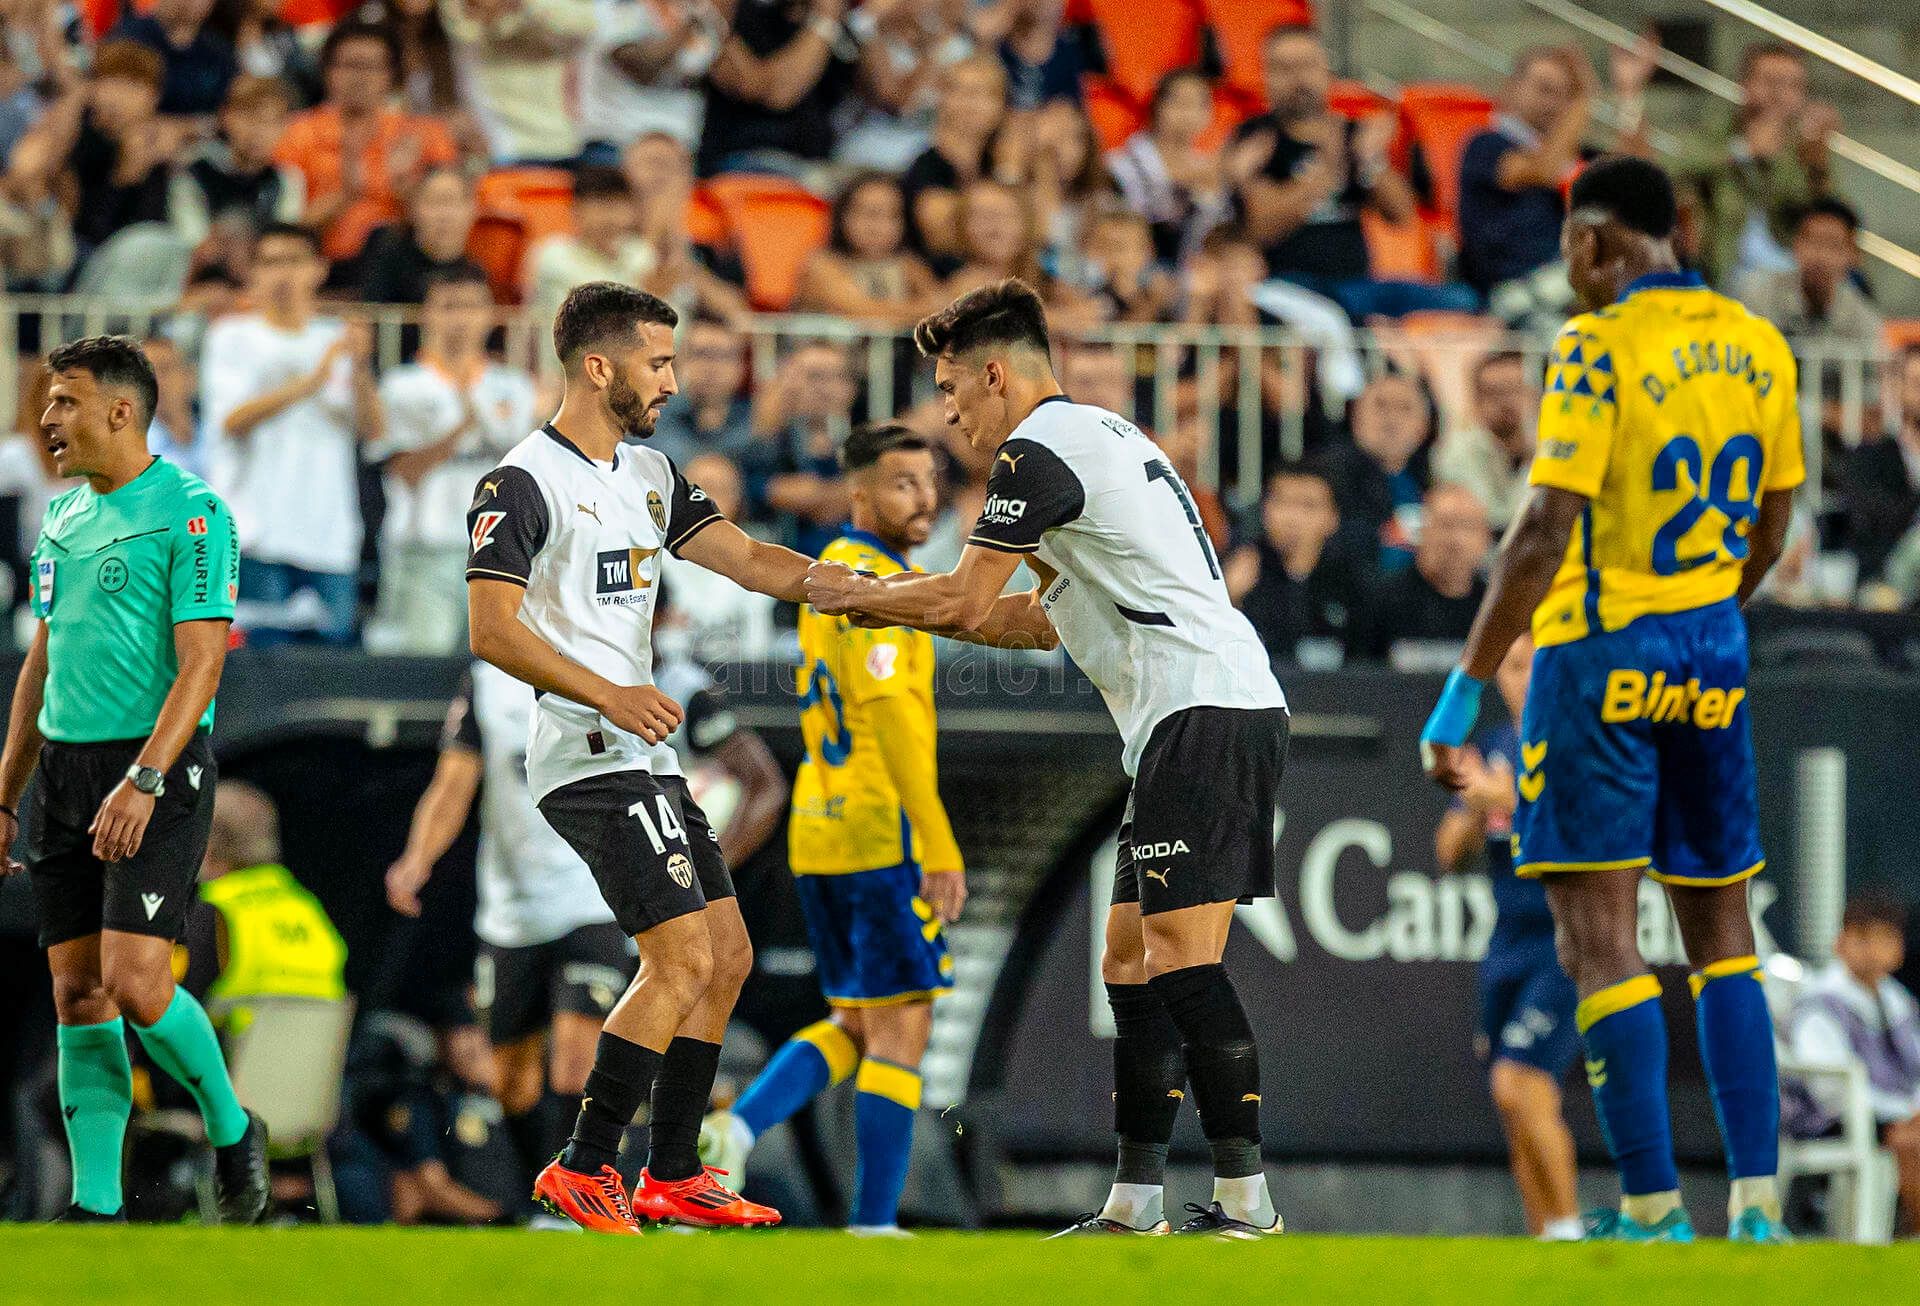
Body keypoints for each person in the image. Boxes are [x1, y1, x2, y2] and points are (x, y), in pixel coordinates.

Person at [805, 279, 1291, 1238]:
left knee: (1182, 963)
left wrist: (850, 592)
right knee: (1128, 958)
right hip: (1187, 717)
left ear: (996, 374)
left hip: (1206, 710)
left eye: (951, 389)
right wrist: (902, 599)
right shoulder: (1100, 439)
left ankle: (1249, 1205)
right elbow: (1025, 621)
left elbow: (952, 601)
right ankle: (1134, 1203)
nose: (946, 413)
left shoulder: (1035, 453)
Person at [1419, 156, 1804, 1243]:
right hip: (1713, 648)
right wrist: (1703, 618)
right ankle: (1761, 1209)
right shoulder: (1760, 346)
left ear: (1595, 243)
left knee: (1599, 931)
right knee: (1722, 925)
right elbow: (1774, 526)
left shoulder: (1595, 345)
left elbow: (1543, 527)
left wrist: (1462, 687)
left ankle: (1650, 1207)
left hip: (1601, 654)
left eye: (1569, 251)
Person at [464, 281, 824, 1232]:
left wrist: (877, 589)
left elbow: (749, 561)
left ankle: (671, 1172)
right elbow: (492, 631)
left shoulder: (652, 475)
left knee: (729, 955)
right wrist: (608, 690)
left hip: (643, 755)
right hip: (586, 749)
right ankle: (584, 1165)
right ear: (598, 365)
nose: (674, 379)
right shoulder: (521, 481)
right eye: (659, 362)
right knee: (680, 957)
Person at [0, 335, 265, 1223]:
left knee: (137, 982)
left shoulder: (194, 513)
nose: (47, 419)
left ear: (121, 408)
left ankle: (232, 1129)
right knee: (75, 991)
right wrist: (5, 792)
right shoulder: (64, 519)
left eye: (64, 401)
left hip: (153, 766)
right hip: (65, 771)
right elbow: (43, 660)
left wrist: (144, 779)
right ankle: (96, 1206)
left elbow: (202, 668)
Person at [705, 423, 966, 1235]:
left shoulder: (828, 579)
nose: (921, 498)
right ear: (858, 494)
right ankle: (875, 1223)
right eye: (900, 483)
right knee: (904, 1024)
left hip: (820, 827)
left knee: (857, 1018)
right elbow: (889, 718)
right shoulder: (882, 585)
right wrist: (938, 840)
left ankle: (736, 1128)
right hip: (876, 827)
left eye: (928, 483)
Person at [1433, 635, 1582, 1241]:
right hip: (1507, 946)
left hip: (1564, 943)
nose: (1525, 678)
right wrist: (1475, 807)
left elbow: (1592, 834)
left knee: (1520, 1082)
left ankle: (1570, 1229)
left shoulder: (1575, 744)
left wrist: (1516, 800)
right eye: (1515, 667)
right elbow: (1447, 856)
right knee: (1513, 1106)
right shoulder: (1491, 748)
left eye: (1537, 665)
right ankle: (1543, 1237)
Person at [200, 222, 378, 646]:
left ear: (318, 270)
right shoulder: (232, 336)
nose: (283, 274)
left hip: (331, 538)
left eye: (294, 261)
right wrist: (311, 381)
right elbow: (230, 419)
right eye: (270, 263)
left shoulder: (338, 340)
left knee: (330, 688)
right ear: (253, 274)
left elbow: (374, 432)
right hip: (258, 536)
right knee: (262, 684)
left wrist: (361, 370)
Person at [1229, 25, 1477, 321]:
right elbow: (1262, 226)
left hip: (1357, 285)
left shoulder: (1353, 134)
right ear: (1267, 77)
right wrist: (1327, 170)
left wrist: (1371, 162)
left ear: (1326, 72)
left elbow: (1401, 214)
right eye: (1284, 68)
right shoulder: (1256, 137)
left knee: (1463, 299)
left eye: (1307, 65)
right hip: (1290, 287)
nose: (1298, 79)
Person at [367, 262, 534, 654]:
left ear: (491, 315)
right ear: (427, 315)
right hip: (425, 548)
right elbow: (403, 473)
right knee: (423, 668)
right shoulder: (401, 386)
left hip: (500, 555)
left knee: (499, 675)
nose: (460, 319)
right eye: (448, 307)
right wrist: (459, 430)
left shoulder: (515, 386)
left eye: (471, 306)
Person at [1784, 894, 1920, 1233]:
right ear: (1841, 942)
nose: (1874, 949)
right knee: (1913, 1142)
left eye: (1885, 938)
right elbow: (1830, 1090)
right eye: (1863, 937)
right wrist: (1900, 1113)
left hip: (1897, 1115)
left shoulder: (1897, 1000)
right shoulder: (1821, 1003)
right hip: (1829, 1120)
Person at [273, 18, 458, 267]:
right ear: (327, 71)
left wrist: (406, 191)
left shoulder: (425, 135)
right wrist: (345, 195)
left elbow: (451, 223)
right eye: (349, 65)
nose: (360, 77)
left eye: (371, 66)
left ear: (391, 74)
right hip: (320, 265)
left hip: (403, 266)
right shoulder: (296, 134)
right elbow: (283, 229)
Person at [1677, 42, 1843, 290]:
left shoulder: (1804, 148)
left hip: (1789, 280)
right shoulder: (1716, 134)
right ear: (1745, 83)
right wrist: (1745, 151)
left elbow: (1825, 215)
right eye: (1770, 81)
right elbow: (1672, 168)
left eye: (1792, 86)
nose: (1779, 94)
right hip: (1723, 274)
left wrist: (1818, 165)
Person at [190, 780, 347, 1025]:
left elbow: (166, 1008)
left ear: (208, 847)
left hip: (231, 1058)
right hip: (309, 1061)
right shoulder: (306, 907)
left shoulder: (216, 913)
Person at [1224, 463, 1362, 664]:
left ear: (1333, 518)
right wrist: (1228, 598)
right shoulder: (1237, 572)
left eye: (1308, 505)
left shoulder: (1351, 583)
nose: (1292, 518)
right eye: (1282, 502)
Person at [1348, 482, 1490, 663]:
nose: (1456, 540)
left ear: (1485, 539)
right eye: (1446, 525)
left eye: (1468, 527)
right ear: (1422, 531)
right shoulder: (1380, 599)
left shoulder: (1494, 611)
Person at [1108, 67, 1232, 267]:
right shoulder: (1121, 164)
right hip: (1137, 265)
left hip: (1194, 271)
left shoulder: (1208, 169)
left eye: (1199, 104)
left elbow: (1216, 235)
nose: (1189, 113)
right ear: (1157, 106)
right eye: (1180, 103)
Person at [167, 72, 304, 253]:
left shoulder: (286, 179)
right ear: (226, 117)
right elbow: (192, 242)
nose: (259, 132)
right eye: (249, 119)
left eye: (271, 122)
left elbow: (285, 241)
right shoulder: (193, 172)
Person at [794, 171, 939, 328]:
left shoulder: (909, 264)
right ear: (844, 216)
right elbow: (863, 313)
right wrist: (920, 312)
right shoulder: (821, 264)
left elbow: (941, 309)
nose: (882, 228)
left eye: (893, 216)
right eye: (871, 215)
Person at [1324, 370, 1434, 572]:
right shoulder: (1328, 477)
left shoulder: (1435, 479)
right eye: (1380, 405)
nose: (1391, 419)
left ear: (1423, 428)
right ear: (1356, 418)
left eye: (1404, 408)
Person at [1434, 351, 1537, 532]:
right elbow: (1491, 519)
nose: (1507, 402)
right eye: (1495, 392)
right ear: (1476, 401)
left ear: (1533, 395)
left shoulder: (1553, 449)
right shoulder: (1456, 453)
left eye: (1515, 389)